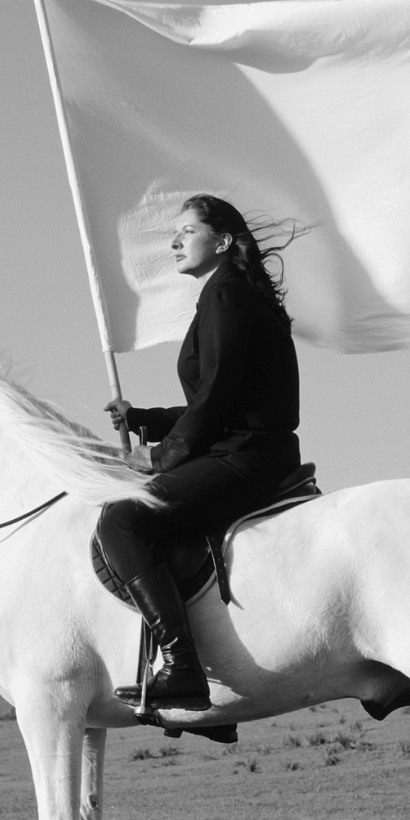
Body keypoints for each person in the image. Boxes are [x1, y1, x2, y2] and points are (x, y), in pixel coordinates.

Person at [98, 194, 301, 710]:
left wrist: (160, 456)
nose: (174, 242)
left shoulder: (226, 297)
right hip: (246, 445)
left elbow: (214, 400)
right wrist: (145, 420)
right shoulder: (228, 294)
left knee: (121, 521)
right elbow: (219, 397)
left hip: (246, 455)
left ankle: (182, 664)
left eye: (187, 231)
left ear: (224, 241)